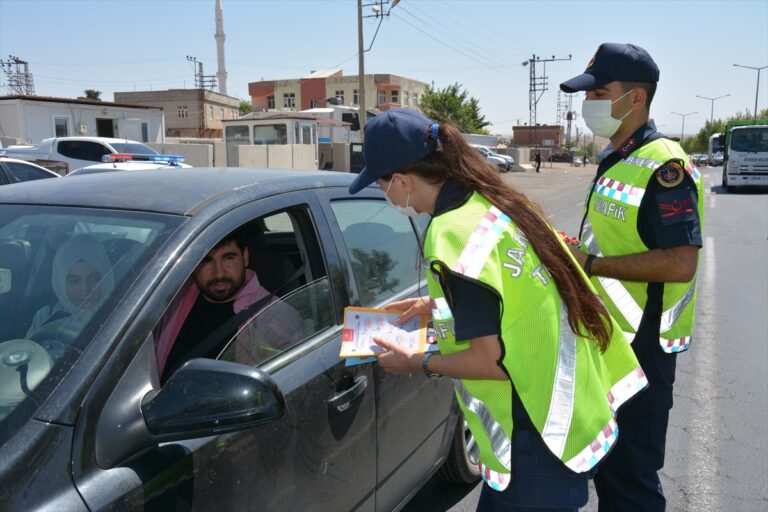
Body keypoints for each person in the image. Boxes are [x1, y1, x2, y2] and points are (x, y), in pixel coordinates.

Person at [348, 108, 648, 511]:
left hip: (537, 436)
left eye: (382, 186)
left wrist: (417, 362)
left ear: (401, 181)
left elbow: (490, 362)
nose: (387, 197)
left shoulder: (450, 235)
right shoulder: (488, 202)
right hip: (567, 410)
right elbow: (503, 296)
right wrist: (431, 305)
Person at [560, 43, 704, 512]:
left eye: (600, 92)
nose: (589, 104)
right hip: (612, 343)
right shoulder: (618, 156)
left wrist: (594, 266)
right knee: (610, 475)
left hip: (643, 350)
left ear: (636, 99)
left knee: (630, 484)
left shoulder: (665, 166)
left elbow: (681, 262)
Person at [155, 230, 305, 382]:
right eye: (206, 261)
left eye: (228, 258)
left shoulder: (275, 316)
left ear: (245, 257)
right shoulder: (171, 301)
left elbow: (291, 384)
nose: (218, 273)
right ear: (193, 263)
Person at [26, 234, 115, 358]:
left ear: (106, 276)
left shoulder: (120, 316)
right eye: (74, 281)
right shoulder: (46, 315)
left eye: (95, 279)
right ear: (60, 282)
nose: (86, 290)